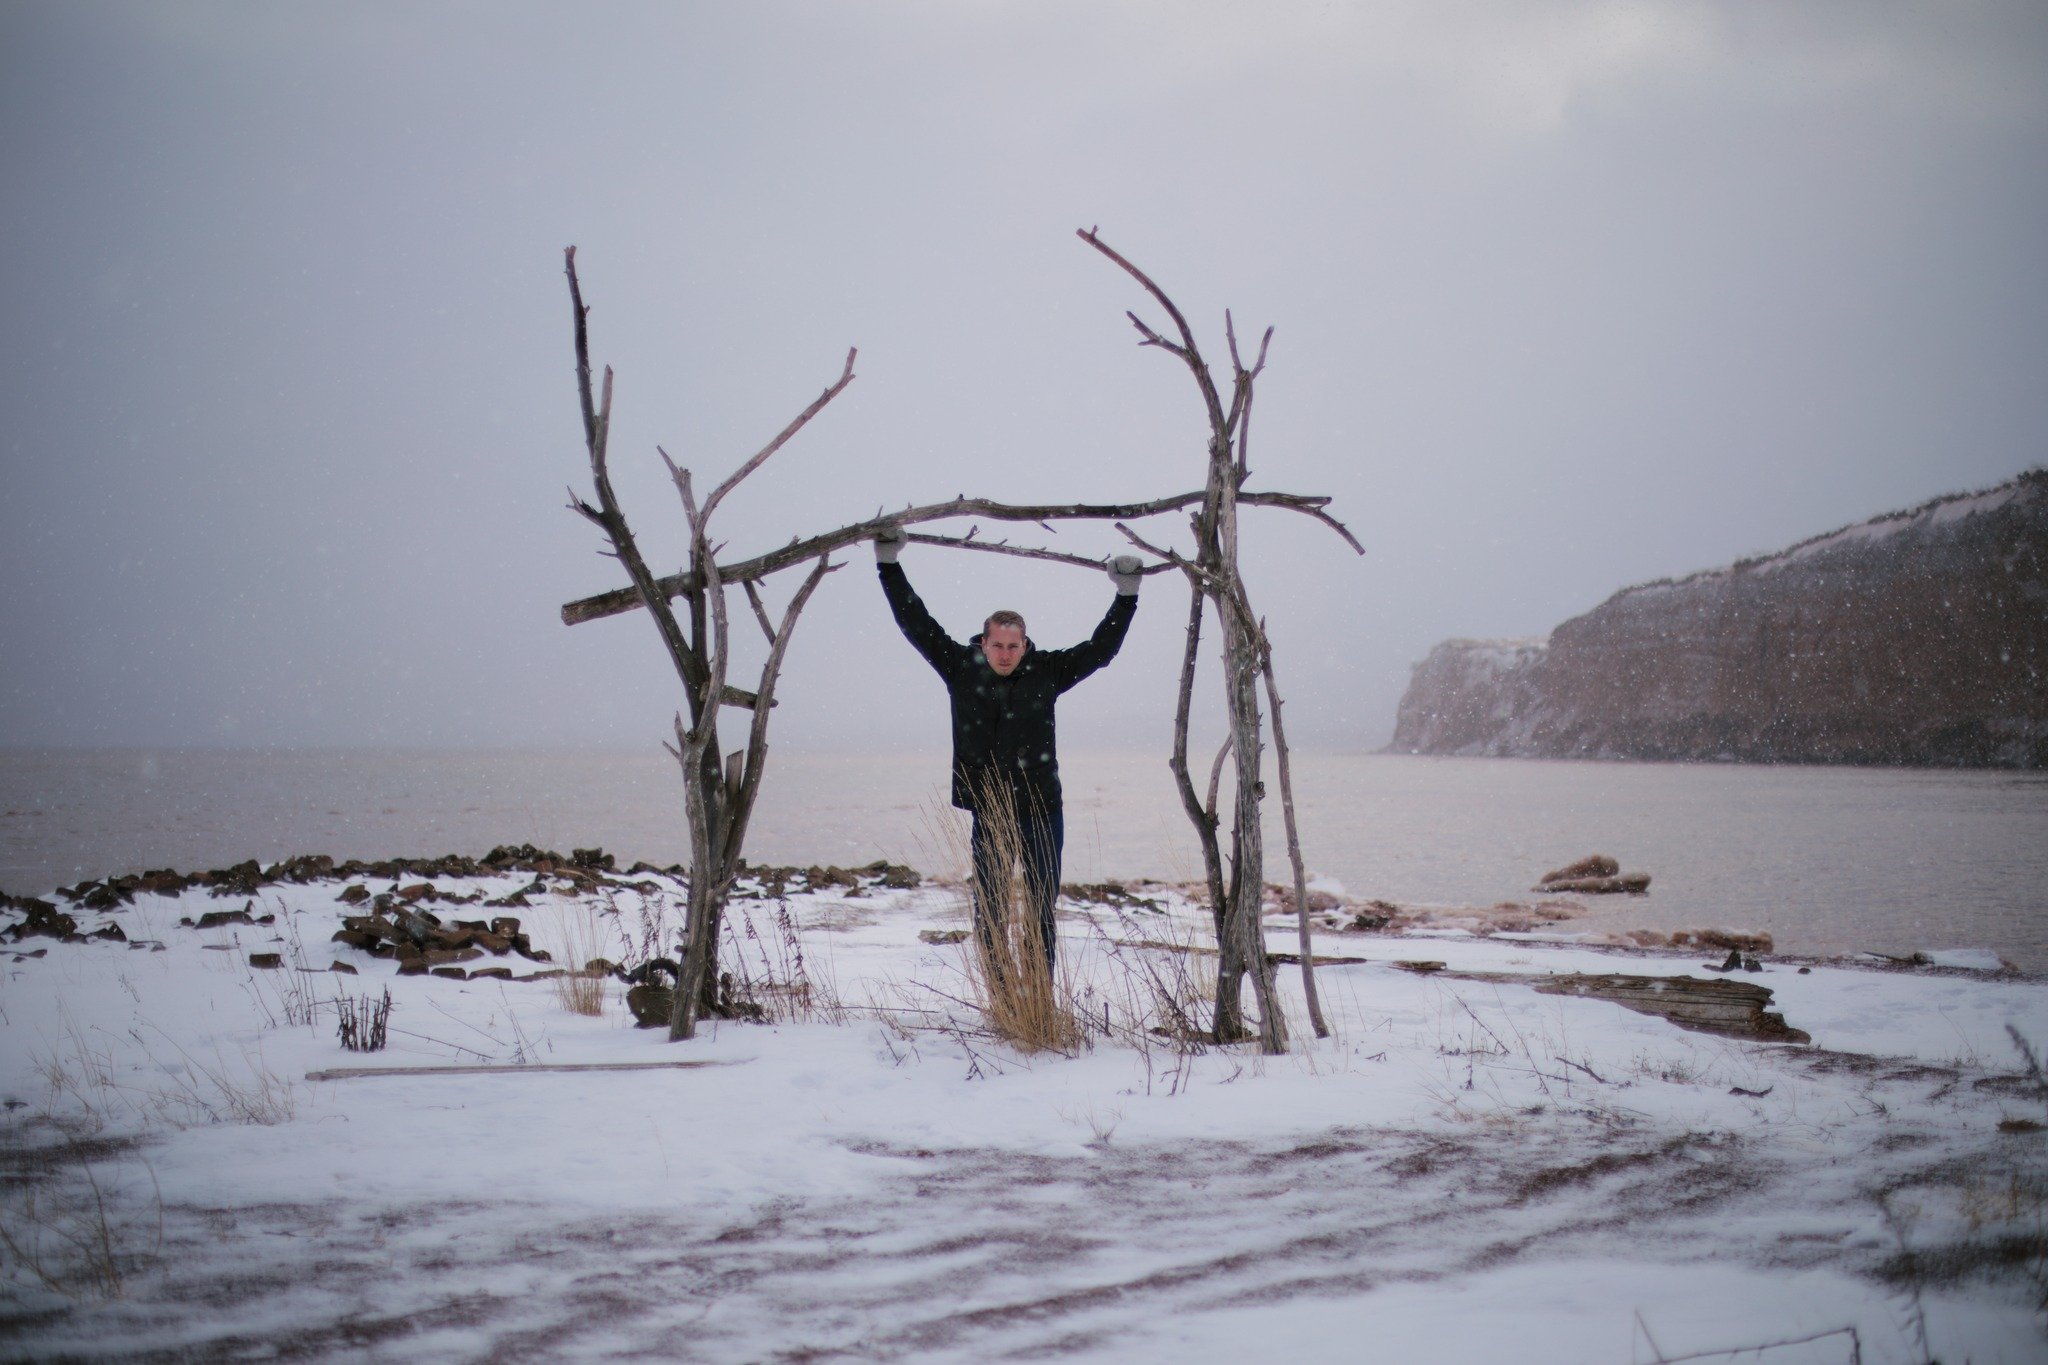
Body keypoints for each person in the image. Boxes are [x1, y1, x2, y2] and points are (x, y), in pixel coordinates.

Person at [875, 525, 1143, 971]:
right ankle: (1003, 1003)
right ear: (984, 643)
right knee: (992, 912)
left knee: (1040, 914)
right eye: (997, 645)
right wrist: (888, 563)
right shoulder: (961, 668)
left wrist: (1126, 595)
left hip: (1042, 807)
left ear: (1025, 645)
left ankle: (1039, 1004)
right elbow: (914, 622)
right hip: (991, 808)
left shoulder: (1047, 671)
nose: (1005, 654)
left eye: (1013, 646)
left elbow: (1101, 650)